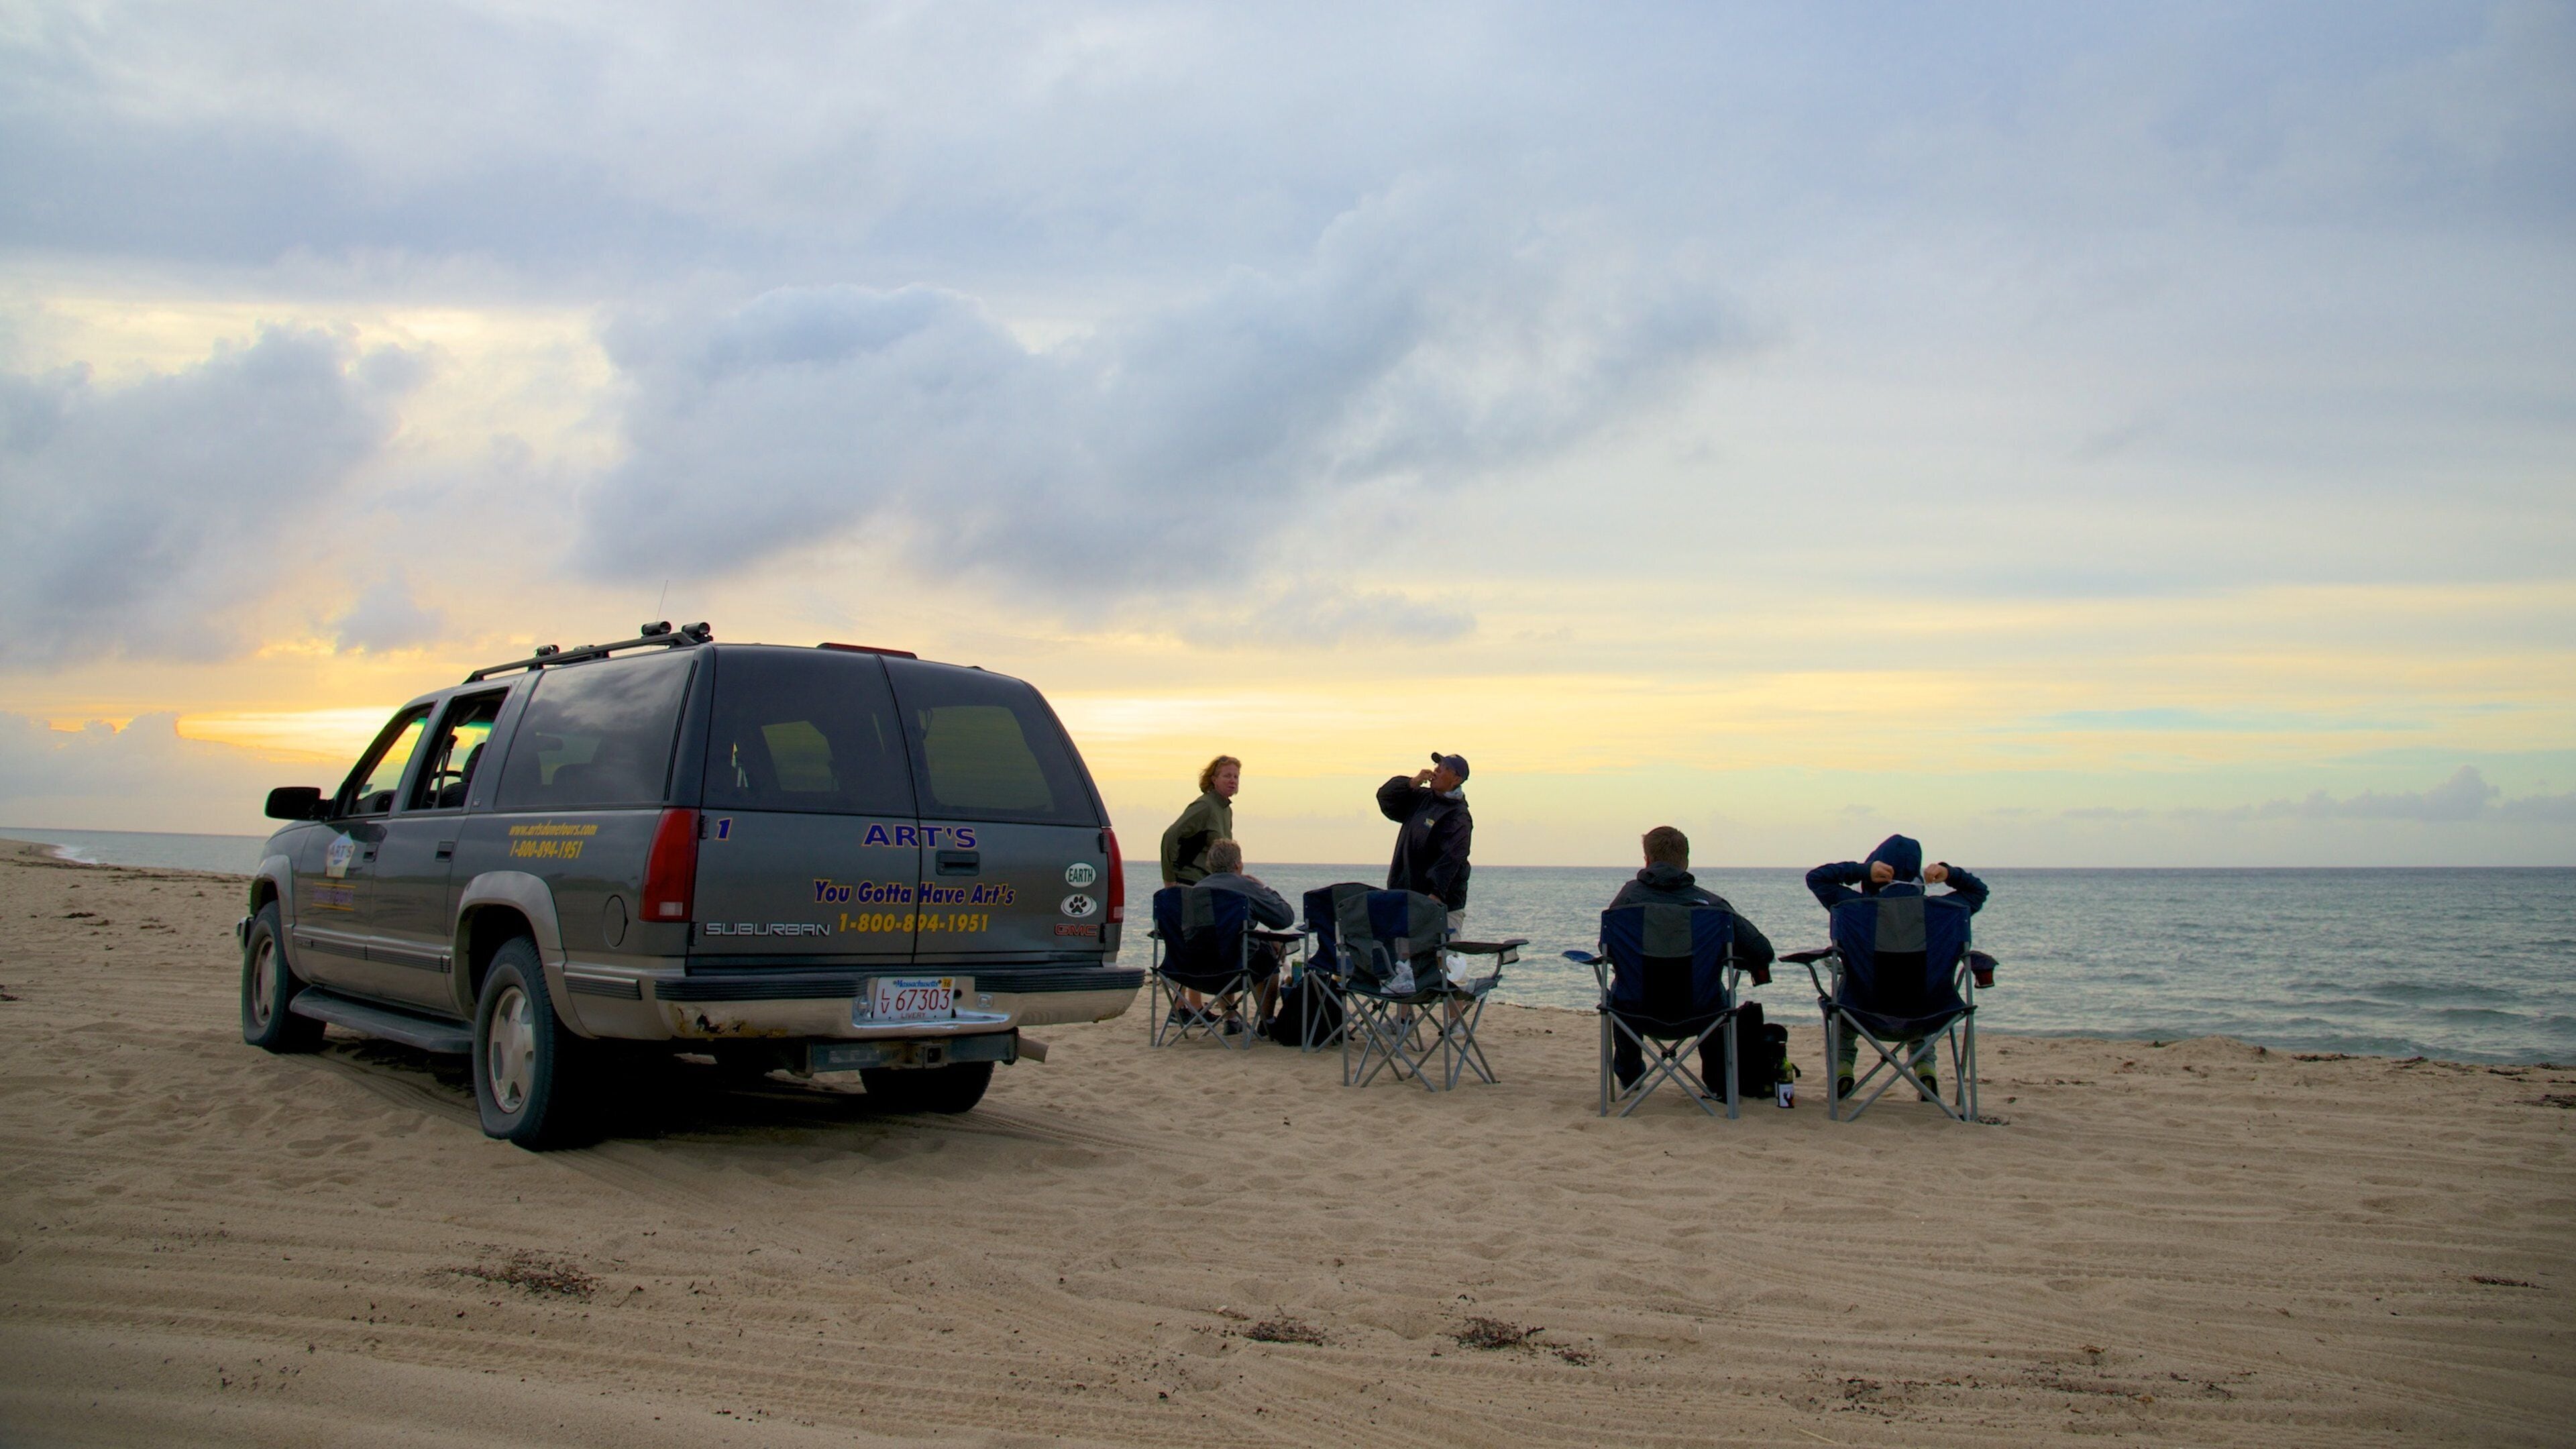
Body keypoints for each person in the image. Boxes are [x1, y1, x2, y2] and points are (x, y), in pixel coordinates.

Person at [1805, 833, 1990, 1099]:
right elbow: (1979, 891)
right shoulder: (1944, 910)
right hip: (1930, 1015)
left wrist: (1862, 871)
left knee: (1846, 986)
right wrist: (1949, 873)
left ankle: (1843, 1067)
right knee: (1920, 986)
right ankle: (1925, 1067)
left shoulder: (1854, 906)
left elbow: (1817, 878)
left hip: (1862, 1012)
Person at [1605, 826, 1776, 1091]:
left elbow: (1607, 950)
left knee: (1621, 992)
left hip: (1636, 1012)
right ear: (1685, 861)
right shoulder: (1713, 907)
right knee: (1714, 994)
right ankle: (1717, 1081)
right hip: (1701, 1014)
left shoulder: (1625, 902)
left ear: (1647, 860)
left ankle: (1630, 1075)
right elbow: (1762, 951)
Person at [1194, 839, 1294, 1035]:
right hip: (1238, 967)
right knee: (1267, 952)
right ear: (1237, 865)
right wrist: (1265, 888)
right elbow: (1284, 918)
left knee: (1219, 946)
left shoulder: (1195, 891)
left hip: (1196, 970)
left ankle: (1231, 1020)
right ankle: (1267, 1021)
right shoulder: (1246, 887)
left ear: (1210, 865)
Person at [1376, 752, 1472, 934]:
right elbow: (1386, 799)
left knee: (1441, 951)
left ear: (1456, 779)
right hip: (1406, 897)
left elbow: (1453, 857)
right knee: (1402, 951)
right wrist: (1411, 783)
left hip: (1442, 905)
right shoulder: (1421, 798)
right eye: (1437, 766)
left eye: (1444, 768)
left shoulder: (1459, 816)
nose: (1436, 770)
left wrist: (1436, 894)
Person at [1161, 755, 1239, 888]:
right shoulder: (1205, 806)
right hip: (1191, 883)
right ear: (1214, 779)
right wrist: (1170, 880)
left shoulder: (1226, 810)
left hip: (1211, 883)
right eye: (1227, 776)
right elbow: (1170, 836)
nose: (1233, 781)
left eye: (1236, 777)